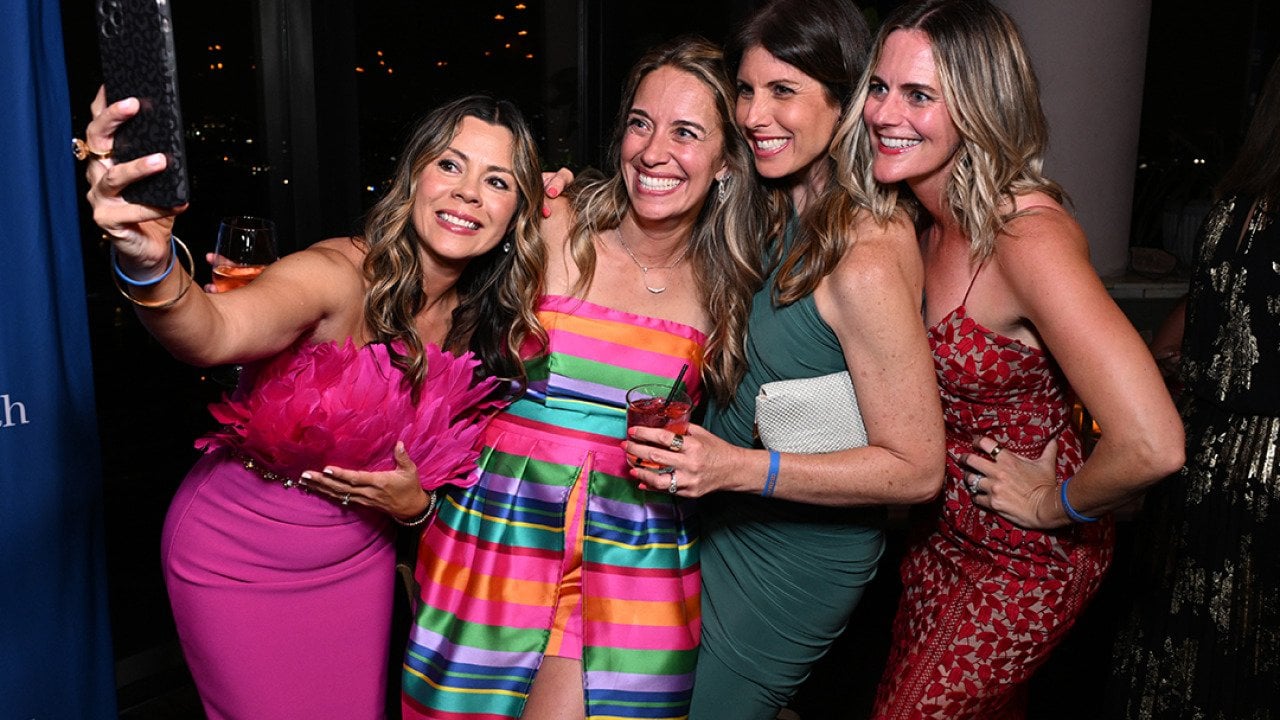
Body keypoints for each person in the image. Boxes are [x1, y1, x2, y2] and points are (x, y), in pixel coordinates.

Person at [82, 92, 546, 719]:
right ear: (413, 175)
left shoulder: (481, 324)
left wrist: (417, 510)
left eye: (497, 181)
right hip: (237, 556)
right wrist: (149, 261)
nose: (467, 193)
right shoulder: (336, 274)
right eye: (449, 164)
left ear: (518, 212)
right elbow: (213, 333)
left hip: (359, 563)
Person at [347, 37, 759, 720]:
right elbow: (430, 274)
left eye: (686, 132)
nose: (653, 152)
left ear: (724, 162)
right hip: (500, 530)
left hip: (633, 548)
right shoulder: (553, 224)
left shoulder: (732, 284)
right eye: (639, 123)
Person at [839, 1, 1186, 717]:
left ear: (980, 106)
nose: (884, 113)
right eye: (879, 87)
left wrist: (1051, 500)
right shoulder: (917, 220)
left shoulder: (1027, 239)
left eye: (920, 95)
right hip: (941, 541)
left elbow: (1153, 443)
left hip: (1028, 557)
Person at [623, 2, 946, 717]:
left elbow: (919, 469)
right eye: (745, 89)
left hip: (794, 558)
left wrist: (737, 468)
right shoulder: (770, 207)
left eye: (784, 91)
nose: (753, 115)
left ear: (843, 100)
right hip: (716, 518)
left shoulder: (865, 254)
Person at [1107, 54, 1280, 719]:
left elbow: (1178, 333)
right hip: (1266, 473)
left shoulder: (1233, 206)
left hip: (1202, 458)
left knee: (1185, 655)